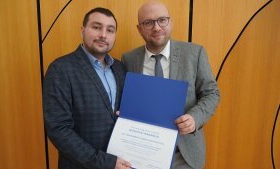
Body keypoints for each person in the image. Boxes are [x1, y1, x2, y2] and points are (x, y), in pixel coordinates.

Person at [121, 1, 220, 169]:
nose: (157, 27)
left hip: (183, 154)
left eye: (162, 20)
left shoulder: (194, 54)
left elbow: (211, 93)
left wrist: (194, 118)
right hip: (141, 152)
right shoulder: (128, 59)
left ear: (171, 22)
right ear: (139, 28)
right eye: (148, 22)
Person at [43, 7, 131, 169]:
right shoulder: (60, 69)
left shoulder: (120, 68)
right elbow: (59, 129)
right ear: (82, 30)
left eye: (110, 30)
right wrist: (105, 162)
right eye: (96, 27)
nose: (103, 35)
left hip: (122, 163)